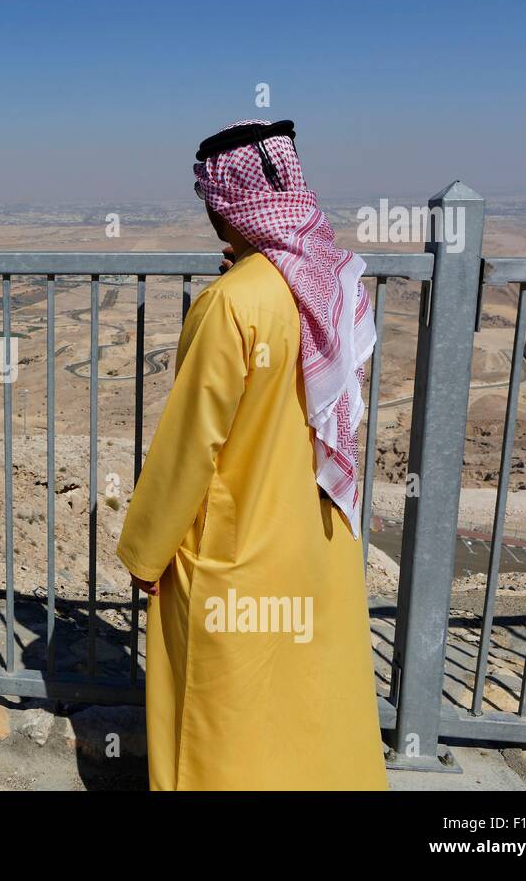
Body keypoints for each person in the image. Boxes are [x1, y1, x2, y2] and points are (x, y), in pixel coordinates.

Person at [115, 119, 388, 790]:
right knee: (311, 707)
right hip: (319, 538)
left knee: (224, 719)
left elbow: (191, 445)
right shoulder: (339, 282)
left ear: (222, 206)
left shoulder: (232, 302)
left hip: (238, 551)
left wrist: (146, 553)